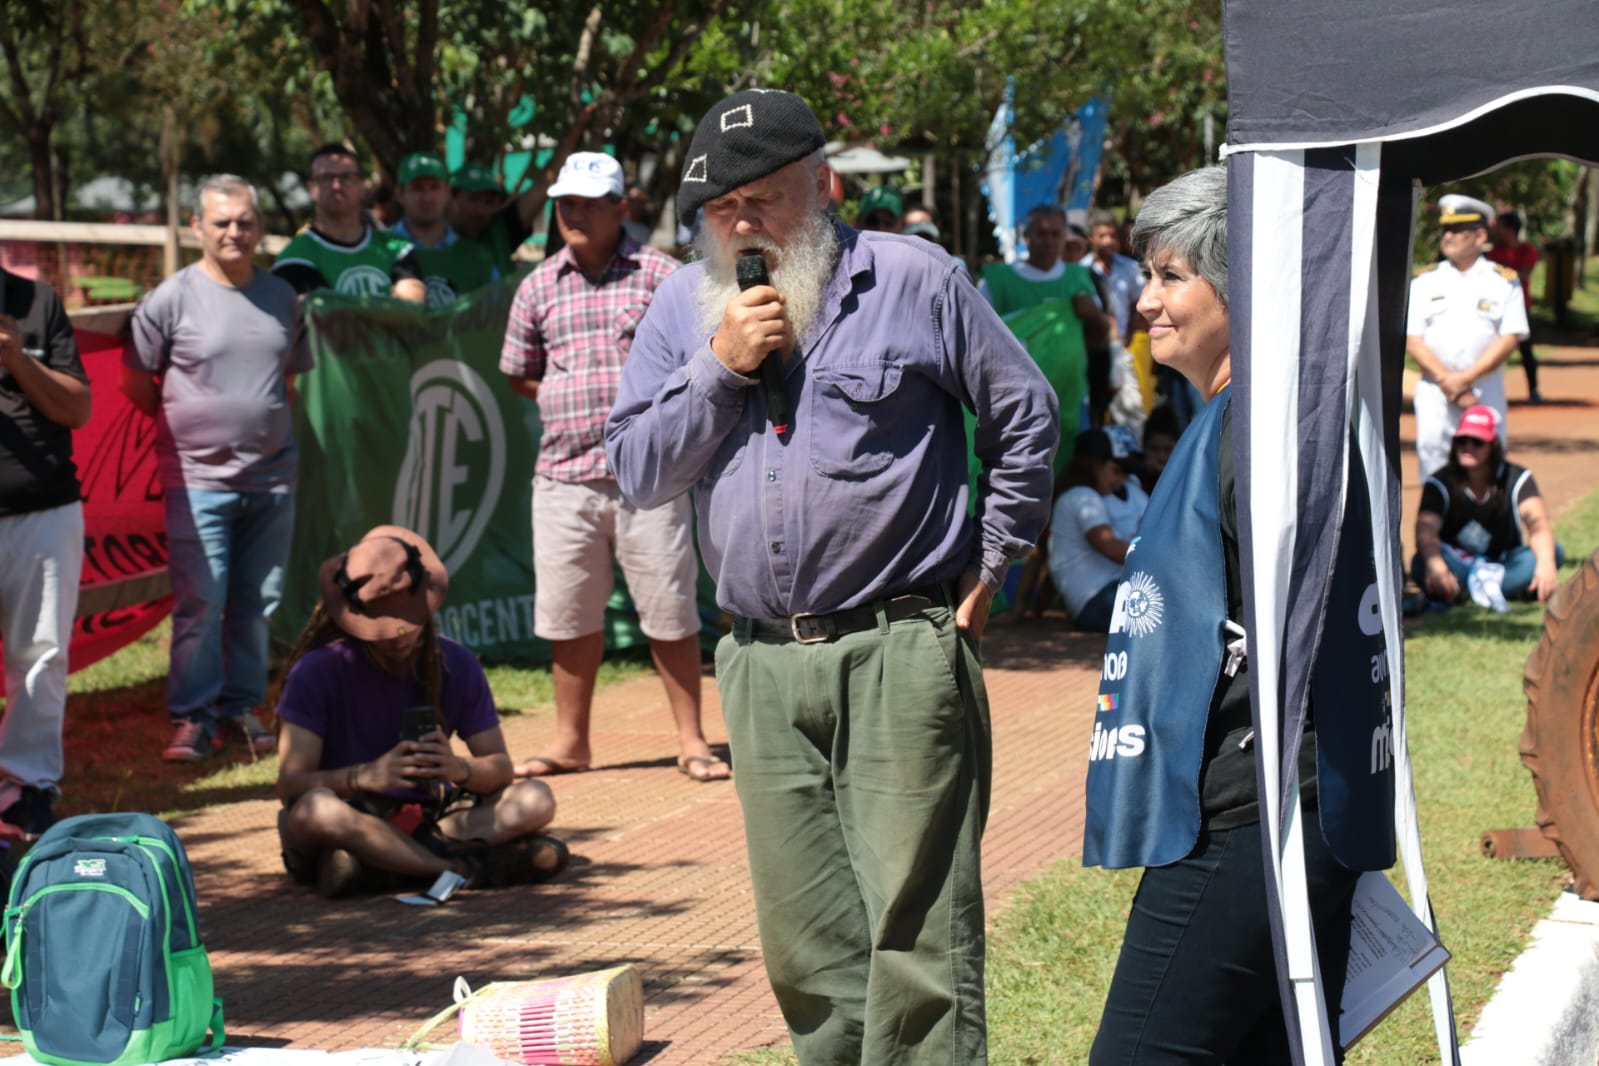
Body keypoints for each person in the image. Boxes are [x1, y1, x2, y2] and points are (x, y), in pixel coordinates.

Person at [606, 88, 1058, 1064]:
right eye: (720, 210)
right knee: (807, 947)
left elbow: (1023, 412)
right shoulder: (684, 313)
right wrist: (720, 367)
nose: (741, 225)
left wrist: (992, 562)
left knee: (920, 939)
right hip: (762, 665)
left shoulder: (911, 279)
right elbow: (638, 467)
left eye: (763, 199)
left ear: (826, 185)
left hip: (900, 645)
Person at [1085, 166, 1393, 1063]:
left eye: (1171, 275)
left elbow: (1307, 623)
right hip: (1279, 803)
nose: (1146, 301)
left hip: (1257, 813)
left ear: (1241, 287)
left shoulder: (1264, 433)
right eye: (1147, 275)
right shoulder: (1251, 417)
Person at [499, 151, 727, 783]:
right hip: (563, 479)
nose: (572, 213)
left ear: (620, 209)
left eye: (588, 203)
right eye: (565, 203)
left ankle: (692, 741)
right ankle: (571, 744)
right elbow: (521, 371)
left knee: (671, 612)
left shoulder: (663, 275)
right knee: (570, 619)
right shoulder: (538, 283)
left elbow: (703, 354)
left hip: (650, 479)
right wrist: (567, 400)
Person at [124, 174, 310, 762]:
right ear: (197, 228)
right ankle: (192, 718)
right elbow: (135, 382)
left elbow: (290, 382)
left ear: (259, 227)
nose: (235, 232)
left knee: (259, 604)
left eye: (245, 222)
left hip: (273, 478)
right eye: (222, 222)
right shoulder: (170, 299)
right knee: (201, 603)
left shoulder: (283, 298)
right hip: (197, 482)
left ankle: (240, 708)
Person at [275, 525, 565, 898]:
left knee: (536, 799)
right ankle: (456, 869)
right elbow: (290, 786)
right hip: (348, 815)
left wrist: (458, 769)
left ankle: (378, 868)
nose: (398, 637)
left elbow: (500, 769)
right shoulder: (316, 672)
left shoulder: (455, 664)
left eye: (407, 622)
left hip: (431, 820)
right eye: (381, 628)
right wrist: (364, 777)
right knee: (317, 810)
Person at [0, 268, 91, 838]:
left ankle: (27, 786)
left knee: (41, 653)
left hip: (44, 507)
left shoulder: (35, 302)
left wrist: (16, 358)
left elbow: (77, 408)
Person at [1406, 193, 1528, 479]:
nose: (1447, 236)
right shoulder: (1425, 282)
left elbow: (1509, 338)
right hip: (1437, 393)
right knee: (1435, 470)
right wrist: (1452, 383)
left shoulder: (1503, 281)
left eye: (1457, 230)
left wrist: (1467, 379)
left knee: (1487, 474)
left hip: (1484, 392)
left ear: (1479, 235)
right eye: (1446, 230)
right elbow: (1413, 340)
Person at [1411, 404, 1562, 612]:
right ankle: (1494, 589)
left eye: (1477, 442)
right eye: (1462, 440)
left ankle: (1463, 591)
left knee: (1553, 552)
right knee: (1422, 563)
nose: (1468, 447)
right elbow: (1426, 529)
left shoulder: (1517, 478)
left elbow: (1538, 524)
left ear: (1494, 446)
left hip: (1505, 565)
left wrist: (1546, 564)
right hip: (1457, 564)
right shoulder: (1439, 482)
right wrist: (1436, 564)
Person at [980, 204, 1109, 430]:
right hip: (1017, 401)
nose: (1048, 241)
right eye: (1040, 234)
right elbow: (980, 338)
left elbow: (1100, 340)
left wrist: (1095, 315)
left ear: (1063, 238)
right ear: (1027, 237)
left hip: (1070, 396)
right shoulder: (997, 281)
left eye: (1055, 234)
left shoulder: (1080, 278)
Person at [272, 143, 426, 302]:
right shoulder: (294, 257)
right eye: (326, 178)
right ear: (311, 188)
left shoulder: (397, 248)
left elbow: (411, 308)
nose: (337, 186)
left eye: (346, 177)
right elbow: (318, 318)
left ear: (361, 185)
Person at [1047, 428, 1149, 631]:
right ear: (1093, 465)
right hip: (1098, 600)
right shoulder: (1082, 497)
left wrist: (1024, 611)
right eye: (1117, 471)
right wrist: (1165, 562)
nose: (1122, 481)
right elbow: (1110, 547)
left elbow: (1042, 560)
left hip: (1099, 599)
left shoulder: (1073, 496)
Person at [391, 151, 499, 308]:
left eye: (434, 188)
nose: (427, 198)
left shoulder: (477, 257)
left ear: (448, 192)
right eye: (418, 188)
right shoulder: (379, 250)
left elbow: (497, 314)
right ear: (400, 194)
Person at [1486, 210, 1542, 403]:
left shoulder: (1527, 250)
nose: (1497, 231)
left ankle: (1534, 389)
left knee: (1526, 351)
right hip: (1494, 307)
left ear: (1510, 229)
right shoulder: (1492, 251)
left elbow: (1523, 274)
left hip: (1520, 306)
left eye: (1500, 227)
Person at [449, 161, 536, 277]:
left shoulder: (499, 232)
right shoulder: (431, 242)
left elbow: (544, 185)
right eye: (473, 199)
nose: (480, 210)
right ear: (450, 199)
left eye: (488, 202)